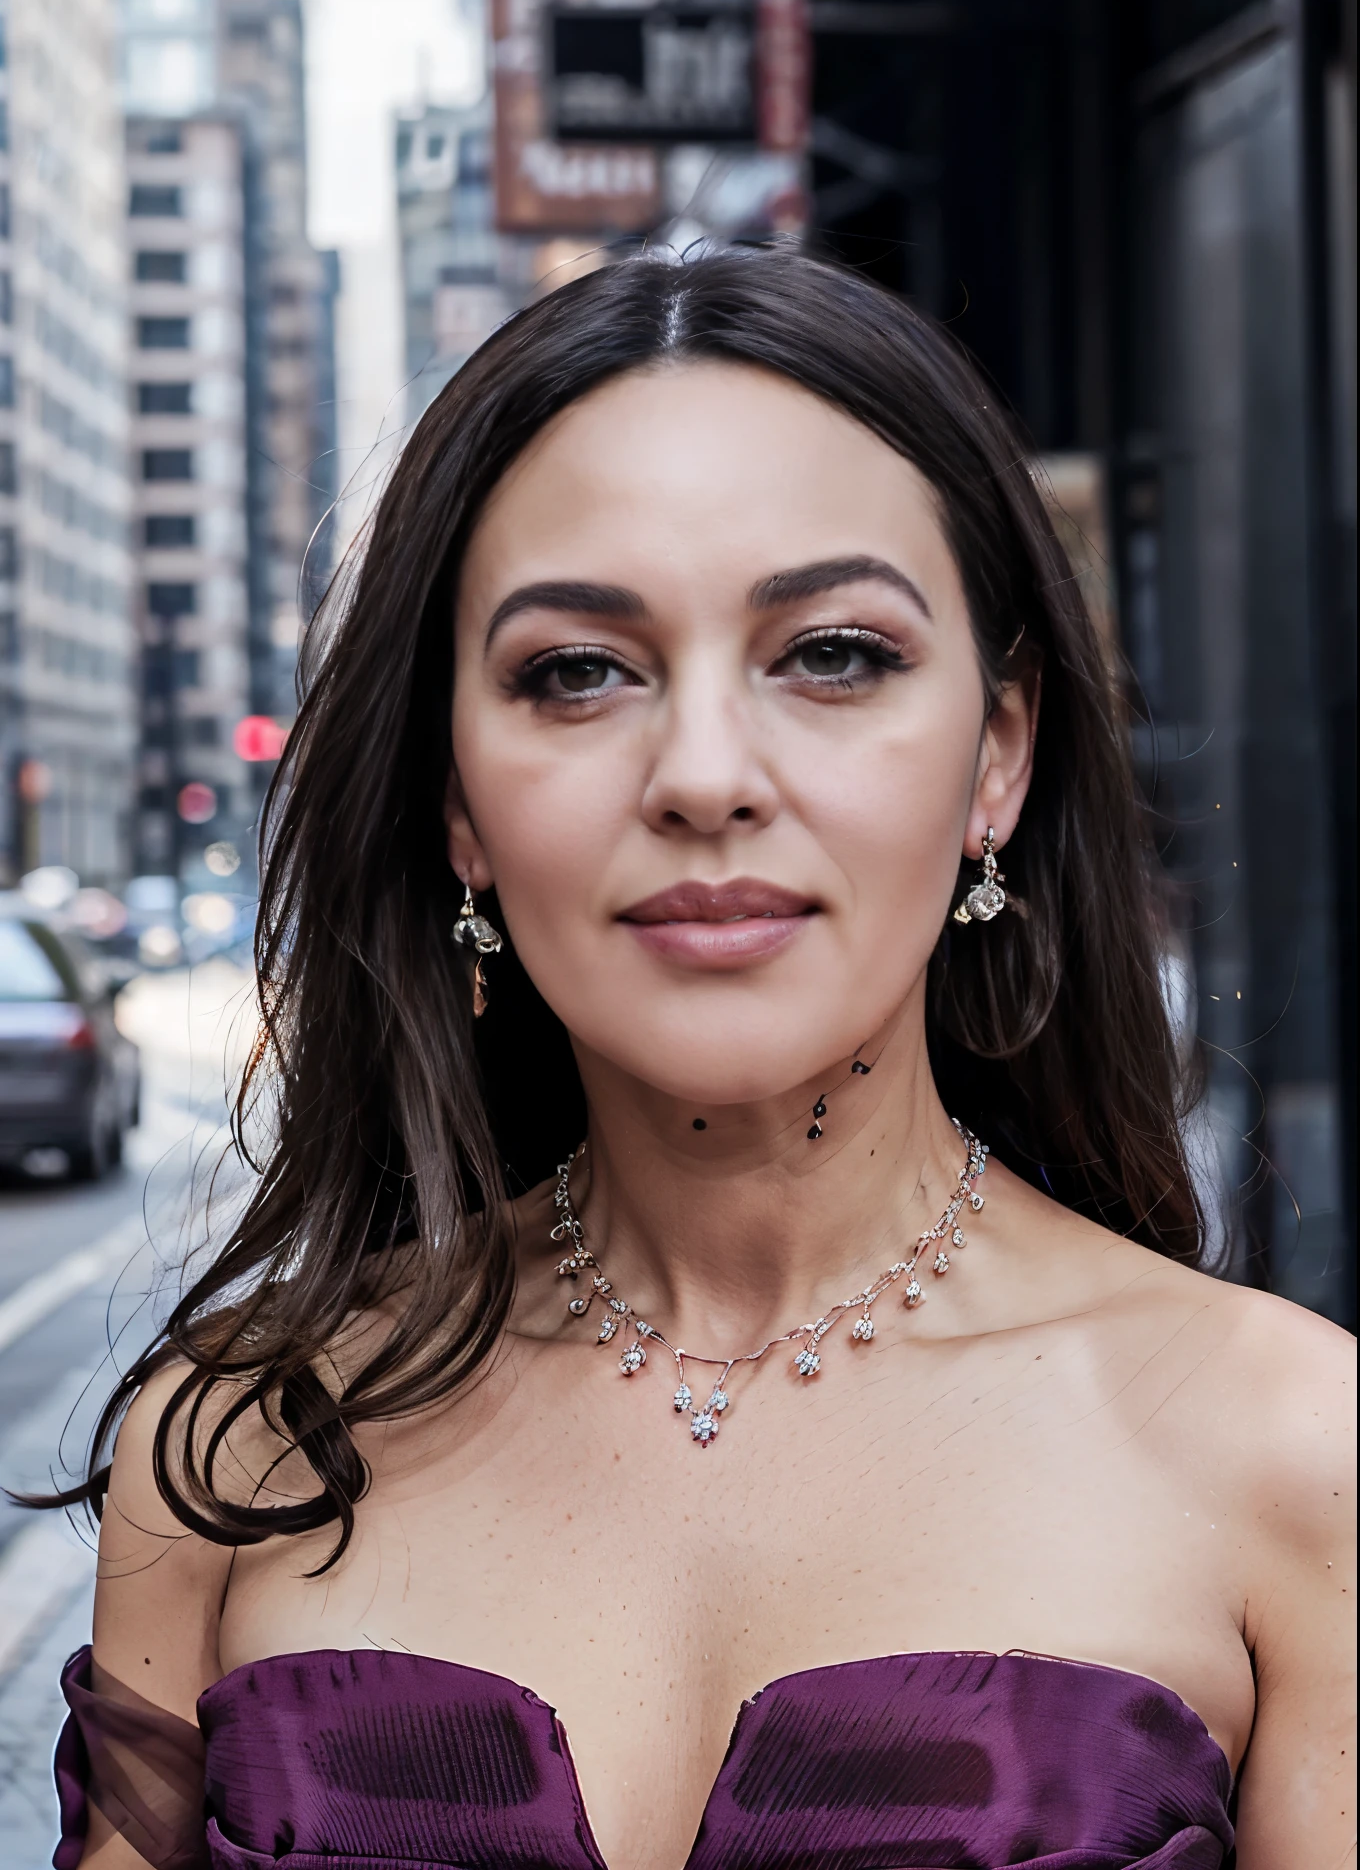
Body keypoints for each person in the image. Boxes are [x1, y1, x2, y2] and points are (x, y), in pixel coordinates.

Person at [44, 250, 1353, 1870]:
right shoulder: (245, 1447)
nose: (707, 776)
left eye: (833, 654)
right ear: (457, 800)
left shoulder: (1299, 1455)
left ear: (997, 759)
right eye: (576, 672)